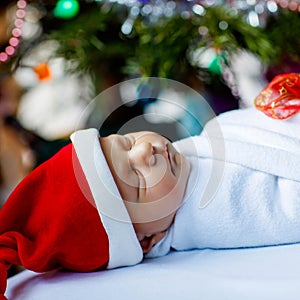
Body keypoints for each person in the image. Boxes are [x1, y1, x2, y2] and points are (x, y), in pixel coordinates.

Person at [0, 73, 299, 299]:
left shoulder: (183, 164)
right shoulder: (212, 214)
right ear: (147, 240)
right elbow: (287, 210)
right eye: (138, 180)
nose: (144, 151)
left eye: (127, 142)